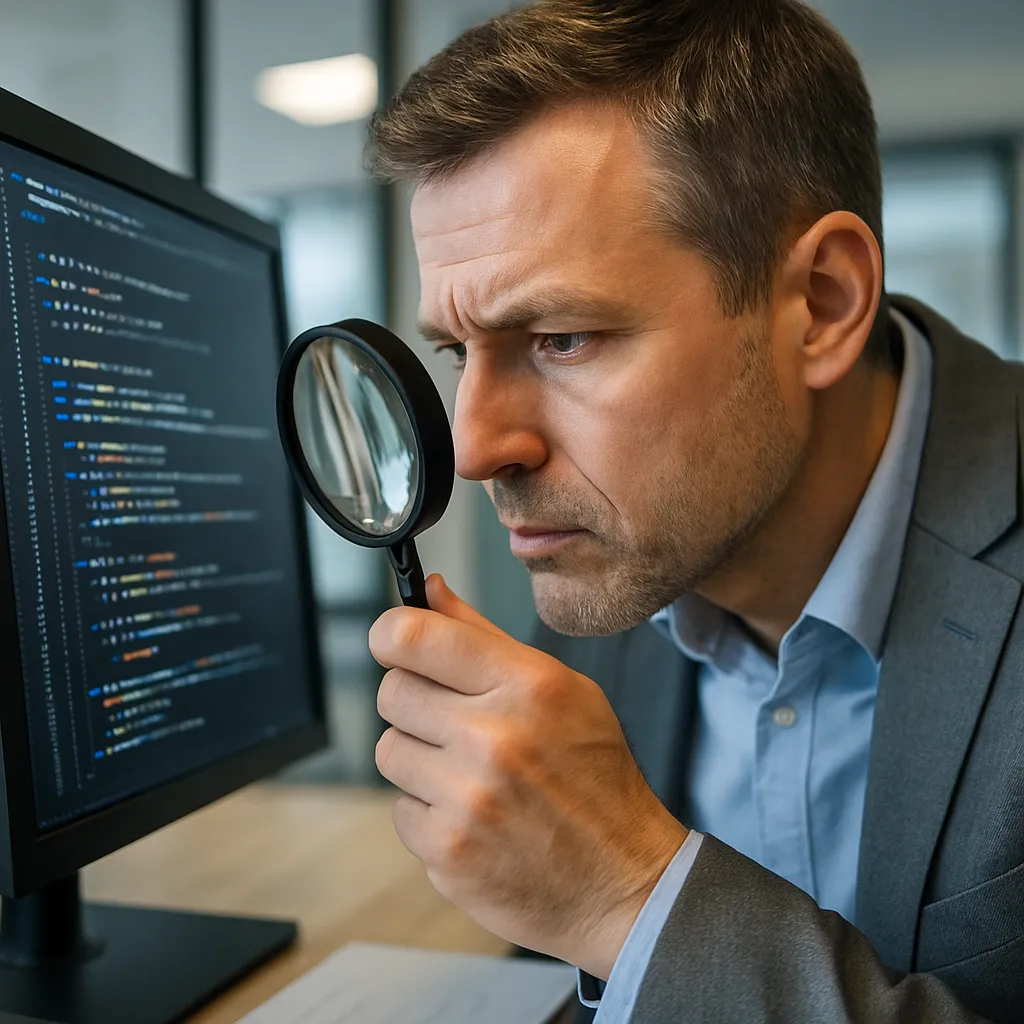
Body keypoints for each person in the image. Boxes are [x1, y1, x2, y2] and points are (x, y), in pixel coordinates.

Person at [362, 1, 1024, 1020]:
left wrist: (629, 898)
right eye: (459, 353)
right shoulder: (616, 571)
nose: (476, 445)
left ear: (822, 302)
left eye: (564, 337)